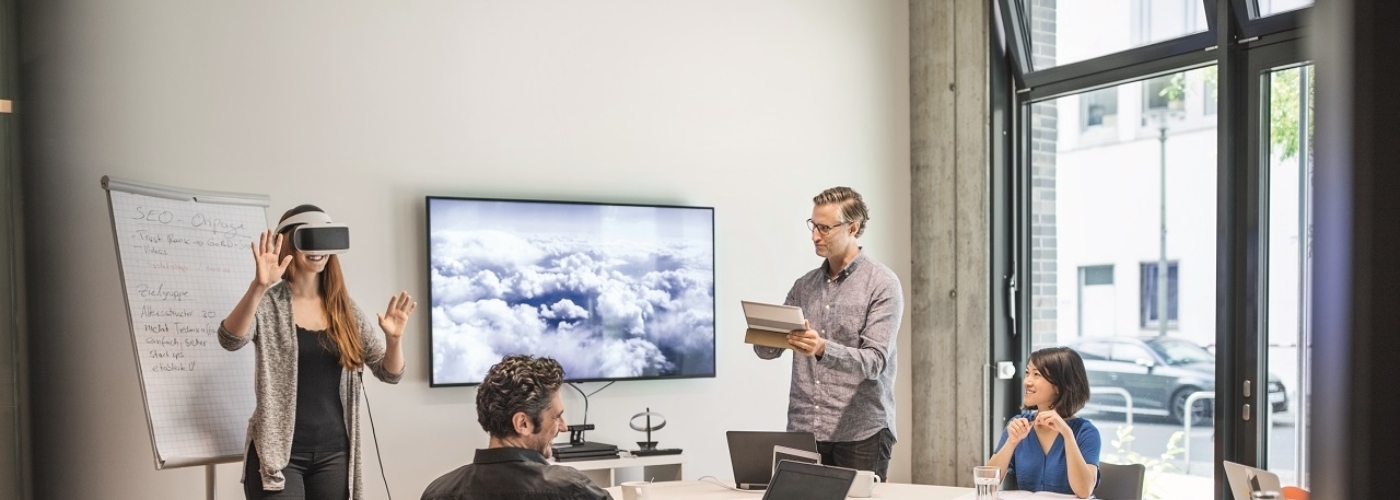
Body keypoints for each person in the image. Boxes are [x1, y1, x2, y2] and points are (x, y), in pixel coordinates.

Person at [220, 204, 417, 500]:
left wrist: (394, 340)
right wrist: (259, 286)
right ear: (289, 242)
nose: (319, 250)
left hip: (334, 454)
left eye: (326, 240)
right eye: (310, 239)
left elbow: (389, 373)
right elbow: (231, 339)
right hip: (280, 456)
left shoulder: (345, 309)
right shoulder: (269, 303)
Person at [753, 186, 904, 479]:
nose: (814, 236)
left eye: (824, 228)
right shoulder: (804, 286)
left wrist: (822, 348)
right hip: (804, 430)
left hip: (862, 432)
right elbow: (766, 351)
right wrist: (766, 332)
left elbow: (874, 362)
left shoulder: (883, 284)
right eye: (813, 226)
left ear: (853, 227)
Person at [420, 355, 613, 500]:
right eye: (557, 417)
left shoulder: (438, 492)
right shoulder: (571, 488)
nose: (563, 427)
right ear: (523, 423)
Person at [986, 347, 1101, 498]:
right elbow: (987, 482)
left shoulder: (1085, 432)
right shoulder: (1019, 424)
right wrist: (1011, 442)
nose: (1027, 382)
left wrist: (1067, 434)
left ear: (1059, 386)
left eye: (1037, 374)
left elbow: (1084, 491)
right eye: (1027, 373)